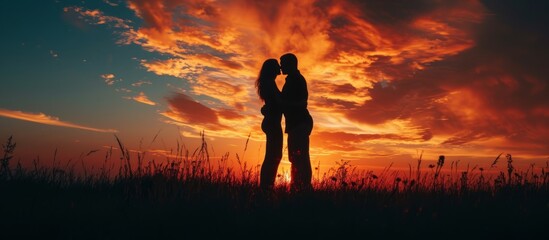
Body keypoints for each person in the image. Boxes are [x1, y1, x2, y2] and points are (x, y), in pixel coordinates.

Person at [279, 53, 314, 191]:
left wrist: (282, 103)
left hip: (300, 122)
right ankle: (297, 187)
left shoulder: (297, 80)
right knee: (295, 157)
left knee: (301, 157)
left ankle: (303, 187)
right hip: (296, 123)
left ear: (291, 64)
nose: (281, 66)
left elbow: (302, 103)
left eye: (283, 63)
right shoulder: (292, 80)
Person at [256, 59, 283, 190]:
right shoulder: (269, 83)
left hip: (271, 121)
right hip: (272, 122)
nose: (280, 67)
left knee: (273, 155)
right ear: (273, 68)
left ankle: (267, 186)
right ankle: (266, 186)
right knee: (273, 155)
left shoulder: (269, 82)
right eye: (277, 65)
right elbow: (277, 102)